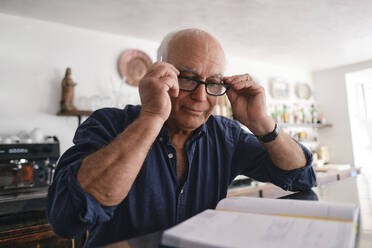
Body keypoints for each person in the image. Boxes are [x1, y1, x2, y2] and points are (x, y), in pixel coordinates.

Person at [47, 29, 316, 247]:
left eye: (213, 82)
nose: (201, 97)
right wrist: (152, 116)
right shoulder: (109, 123)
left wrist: (262, 123)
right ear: (159, 73)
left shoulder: (226, 136)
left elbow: (301, 178)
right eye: (187, 79)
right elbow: (67, 219)